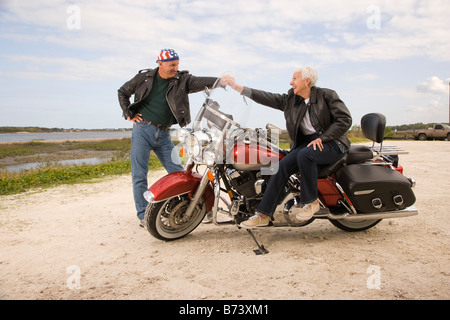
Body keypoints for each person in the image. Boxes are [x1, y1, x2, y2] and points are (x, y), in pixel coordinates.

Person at [222, 67, 352, 228]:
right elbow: (266, 97)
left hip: (333, 142)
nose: (291, 82)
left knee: (305, 155)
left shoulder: (327, 95)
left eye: (295, 78)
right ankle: (263, 214)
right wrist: (237, 87)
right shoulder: (292, 99)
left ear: (307, 81)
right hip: (308, 143)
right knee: (280, 166)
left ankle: (311, 202)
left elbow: (345, 120)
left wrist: (323, 137)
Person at [118, 49, 218, 227]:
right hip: (143, 129)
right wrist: (128, 113)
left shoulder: (181, 80)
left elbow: (200, 81)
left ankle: (198, 208)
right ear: (160, 64)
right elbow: (123, 92)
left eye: (177, 64)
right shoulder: (144, 78)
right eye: (172, 65)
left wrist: (220, 80)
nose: (175, 68)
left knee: (179, 173)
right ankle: (143, 215)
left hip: (163, 133)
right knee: (139, 174)